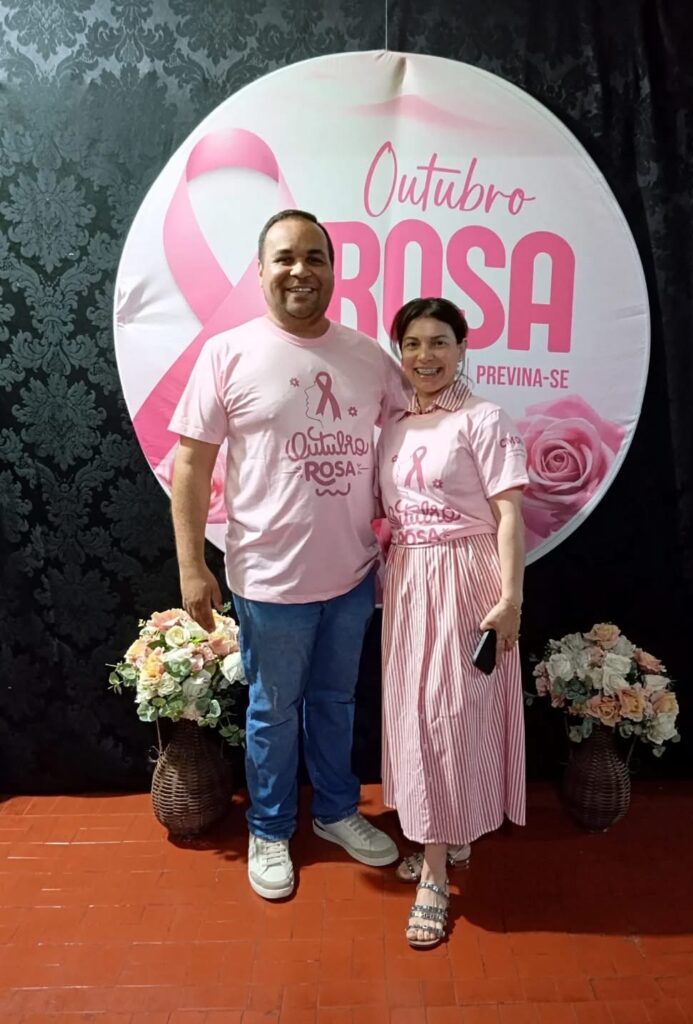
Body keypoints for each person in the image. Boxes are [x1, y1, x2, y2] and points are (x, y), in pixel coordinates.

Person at [169, 209, 405, 900]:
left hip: (351, 575)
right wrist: (191, 565)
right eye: (284, 258)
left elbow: (415, 428)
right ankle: (270, 828)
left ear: (333, 268)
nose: (300, 270)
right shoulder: (229, 353)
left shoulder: (367, 356)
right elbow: (191, 465)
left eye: (314, 257)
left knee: (335, 701)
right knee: (272, 712)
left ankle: (335, 810)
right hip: (269, 582)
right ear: (261, 270)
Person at [377, 297, 529, 948]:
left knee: (448, 717)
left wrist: (511, 599)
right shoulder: (393, 426)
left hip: (465, 581)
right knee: (413, 716)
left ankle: (434, 874)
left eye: (439, 342)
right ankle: (447, 833)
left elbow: (509, 515)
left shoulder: (485, 419)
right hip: (409, 581)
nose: (425, 356)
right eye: (412, 344)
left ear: (462, 348)